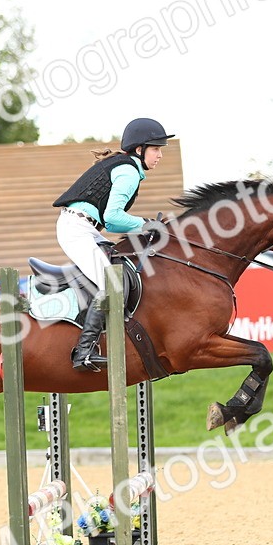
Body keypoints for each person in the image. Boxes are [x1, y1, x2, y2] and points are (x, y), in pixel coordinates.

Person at [52, 117, 173, 371]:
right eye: (156, 149)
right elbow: (113, 218)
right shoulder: (128, 172)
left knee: (119, 269)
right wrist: (147, 224)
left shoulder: (127, 167)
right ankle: (83, 351)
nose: (160, 155)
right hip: (77, 229)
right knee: (110, 284)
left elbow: (112, 223)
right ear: (139, 149)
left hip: (85, 228)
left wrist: (145, 225)